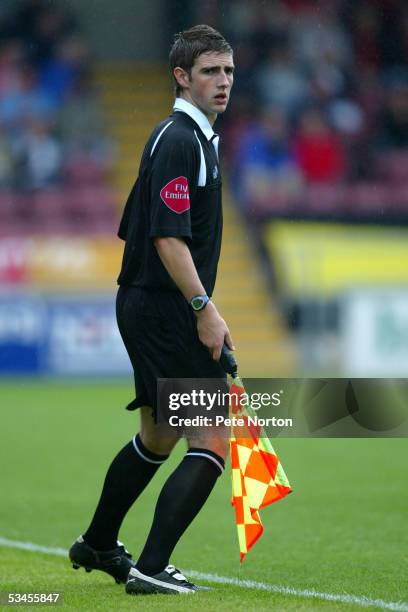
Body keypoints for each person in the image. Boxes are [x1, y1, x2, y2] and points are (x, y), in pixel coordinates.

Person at [69, 24, 235, 596]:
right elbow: (167, 238)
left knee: (160, 434)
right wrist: (203, 308)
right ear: (181, 77)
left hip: (149, 304)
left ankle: (97, 542)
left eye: (229, 71)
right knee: (212, 438)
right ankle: (153, 566)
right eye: (210, 71)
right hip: (165, 307)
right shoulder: (180, 138)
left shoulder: (188, 137)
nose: (223, 82)